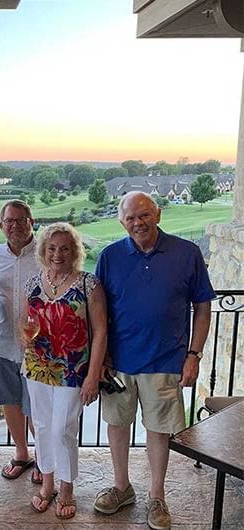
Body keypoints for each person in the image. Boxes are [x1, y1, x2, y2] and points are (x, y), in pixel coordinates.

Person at [93, 191, 214, 530]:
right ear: (122, 222)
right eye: (130, 217)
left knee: (159, 431)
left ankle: (156, 496)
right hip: (118, 363)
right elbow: (98, 313)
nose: (138, 223)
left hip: (166, 360)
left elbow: (202, 307)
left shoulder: (186, 254)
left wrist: (194, 354)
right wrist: (100, 358)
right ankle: (122, 487)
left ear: (158, 214)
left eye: (144, 215)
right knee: (117, 426)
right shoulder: (110, 256)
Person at [23, 222, 107, 519]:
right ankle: (47, 484)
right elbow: (27, 323)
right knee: (43, 428)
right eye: (52, 248)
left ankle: (67, 488)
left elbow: (100, 333)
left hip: (74, 370)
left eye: (64, 248)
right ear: (43, 250)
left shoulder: (88, 284)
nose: (57, 254)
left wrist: (93, 375)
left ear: (75, 251)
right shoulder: (33, 282)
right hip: (37, 367)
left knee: (63, 429)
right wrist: (27, 336)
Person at [0, 200, 41, 482]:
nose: (15, 226)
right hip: (3, 343)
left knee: (37, 406)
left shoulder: (46, 253)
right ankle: (21, 453)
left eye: (21, 220)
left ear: (32, 221)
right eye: (9, 221)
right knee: (10, 401)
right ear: (1, 225)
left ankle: (44, 457)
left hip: (40, 348)